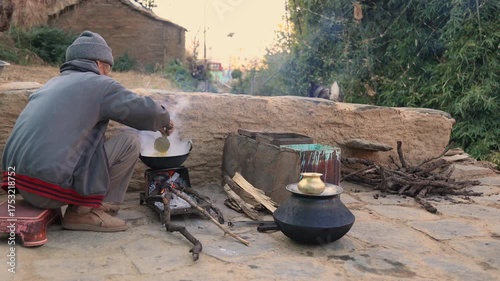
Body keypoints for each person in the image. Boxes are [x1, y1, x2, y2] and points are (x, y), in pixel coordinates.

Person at [1, 30, 173, 232]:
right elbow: (143, 110)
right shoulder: (100, 84)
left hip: (19, 184)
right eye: (108, 67)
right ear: (99, 63)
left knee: (93, 138)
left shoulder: (51, 84)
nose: (108, 73)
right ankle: (83, 213)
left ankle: (91, 204)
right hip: (47, 190)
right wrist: (164, 118)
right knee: (129, 142)